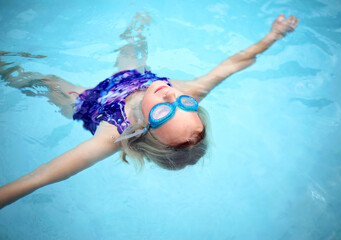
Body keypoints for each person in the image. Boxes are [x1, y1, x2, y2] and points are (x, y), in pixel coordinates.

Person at [0, 13, 298, 209]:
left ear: (144, 129)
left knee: (49, 82)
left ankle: (8, 69)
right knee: (132, 49)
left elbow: (42, 176)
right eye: (185, 104)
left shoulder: (112, 136)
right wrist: (273, 37)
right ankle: (138, 24)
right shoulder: (187, 90)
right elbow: (234, 63)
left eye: (164, 112)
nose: (171, 94)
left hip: (93, 103)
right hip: (133, 78)